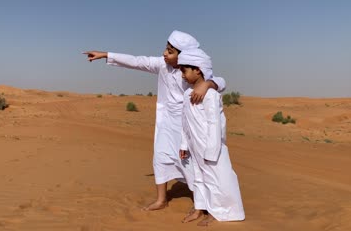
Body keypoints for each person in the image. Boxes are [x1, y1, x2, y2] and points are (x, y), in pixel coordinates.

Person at [84, 30, 226, 211]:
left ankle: (200, 203)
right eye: (166, 49)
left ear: (183, 56)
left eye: (170, 51)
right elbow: (136, 61)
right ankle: (161, 199)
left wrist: (207, 84)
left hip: (187, 125)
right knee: (160, 158)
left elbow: (220, 81)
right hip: (166, 123)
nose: (164, 54)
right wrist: (106, 55)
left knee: (190, 164)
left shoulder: (192, 69)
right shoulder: (161, 65)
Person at [178, 48, 245, 226]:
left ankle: (218, 211)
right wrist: (184, 144)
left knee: (217, 179)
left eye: (184, 70)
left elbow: (215, 123)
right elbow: (185, 121)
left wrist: (212, 150)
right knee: (198, 177)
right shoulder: (186, 94)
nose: (182, 75)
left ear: (197, 70)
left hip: (211, 147)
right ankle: (200, 208)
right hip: (194, 145)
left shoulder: (211, 95)